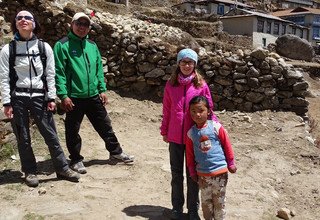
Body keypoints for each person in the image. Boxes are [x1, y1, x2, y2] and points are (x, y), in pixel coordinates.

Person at [0, 10, 80, 187]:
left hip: (39, 97)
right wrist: (7, 102)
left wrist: (51, 97)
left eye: (27, 18)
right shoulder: (8, 49)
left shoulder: (44, 48)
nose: (23, 20)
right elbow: (4, 77)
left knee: (50, 134)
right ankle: (30, 171)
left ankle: (62, 168)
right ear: (15, 23)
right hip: (18, 97)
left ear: (34, 23)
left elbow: (50, 74)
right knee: (23, 137)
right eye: (19, 18)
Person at [53, 12, 134, 174]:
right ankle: (75, 159)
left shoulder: (92, 45)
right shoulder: (62, 45)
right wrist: (63, 95)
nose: (82, 27)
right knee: (72, 130)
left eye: (85, 24)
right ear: (72, 24)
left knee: (105, 125)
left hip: (93, 96)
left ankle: (116, 152)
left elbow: (98, 69)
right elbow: (58, 72)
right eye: (79, 24)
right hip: (73, 97)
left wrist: (102, 89)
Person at [160, 48, 214, 220]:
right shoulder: (171, 85)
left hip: (194, 137)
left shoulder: (201, 85)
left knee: (193, 175)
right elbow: (167, 109)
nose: (186, 65)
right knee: (176, 174)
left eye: (190, 62)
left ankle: (192, 210)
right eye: (183, 62)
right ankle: (176, 208)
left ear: (195, 65)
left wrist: (212, 129)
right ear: (178, 64)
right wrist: (164, 130)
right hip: (175, 137)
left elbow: (209, 109)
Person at [186, 95, 237, 220]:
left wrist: (231, 163)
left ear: (208, 111)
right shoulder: (191, 133)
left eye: (200, 110)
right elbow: (189, 155)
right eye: (193, 111)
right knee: (206, 204)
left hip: (220, 173)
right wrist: (192, 171)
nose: (197, 114)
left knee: (219, 203)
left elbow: (227, 145)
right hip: (202, 176)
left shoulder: (216, 127)